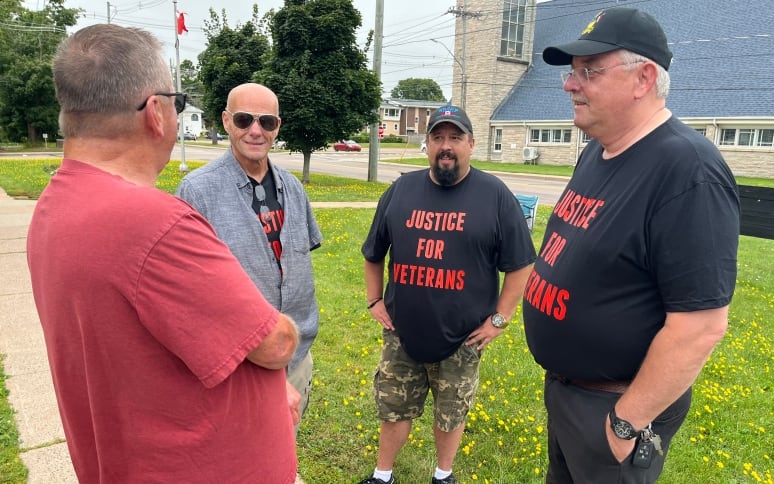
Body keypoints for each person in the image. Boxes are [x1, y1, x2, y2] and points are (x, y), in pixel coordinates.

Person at [27, 24, 301, 483]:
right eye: (177, 101)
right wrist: (288, 327)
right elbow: (275, 344)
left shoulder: (56, 205)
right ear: (156, 112)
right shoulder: (154, 223)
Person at [523, 7, 740, 483]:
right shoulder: (598, 154)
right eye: (572, 72)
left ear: (643, 78)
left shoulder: (687, 170)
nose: (570, 84)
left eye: (589, 72)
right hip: (567, 393)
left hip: (614, 408)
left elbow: (701, 326)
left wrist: (623, 424)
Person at [360, 105, 537, 484]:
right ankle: (382, 475)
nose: (446, 146)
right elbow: (373, 253)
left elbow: (521, 264)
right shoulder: (400, 191)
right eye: (438, 137)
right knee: (393, 409)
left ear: (471, 144)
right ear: (427, 145)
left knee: (451, 412)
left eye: (455, 137)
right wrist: (375, 301)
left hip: (463, 337)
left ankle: (443, 475)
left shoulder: (495, 196)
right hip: (402, 333)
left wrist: (499, 319)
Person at [176, 82, 322, 431]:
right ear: (226, 121)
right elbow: (189, 294)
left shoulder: (292, 187)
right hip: (239, 364)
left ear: (277, 128)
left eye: (266, 122)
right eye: (244, 120)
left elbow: (297, 260)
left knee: (285, 454)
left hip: (297, 355)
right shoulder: (197, 191)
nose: (255, 131)